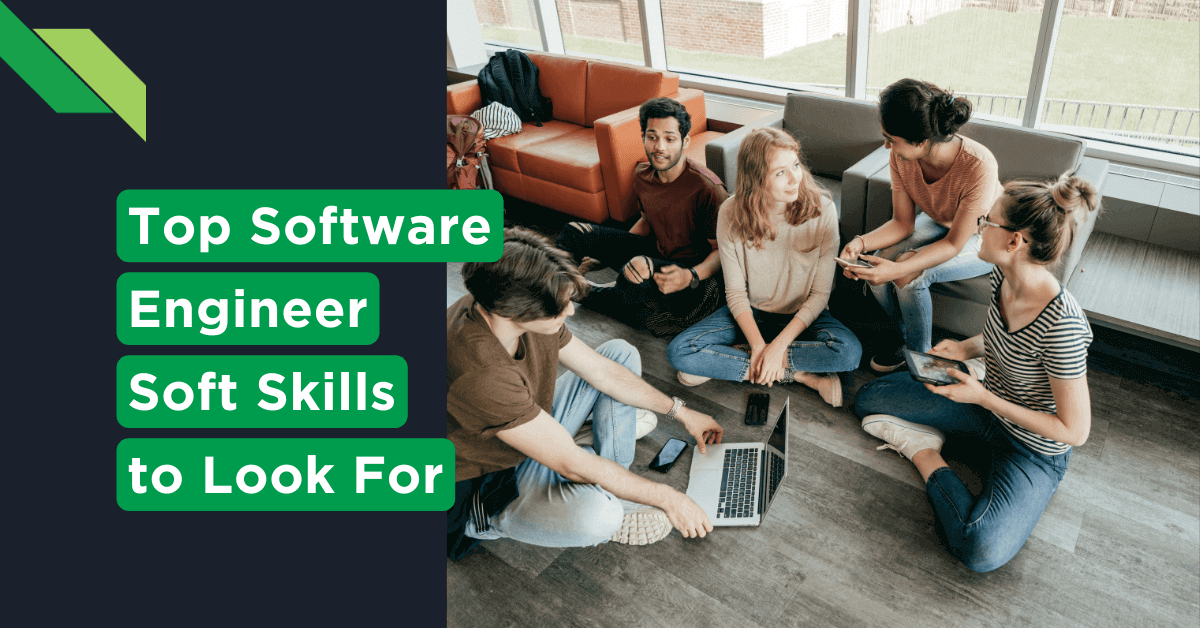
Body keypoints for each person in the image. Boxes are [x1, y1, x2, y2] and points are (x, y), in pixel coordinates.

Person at [854, 175, 1099, 572]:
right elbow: (1001, 333)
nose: (978, 227)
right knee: (869, 398)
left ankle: (925, 452)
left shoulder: (1063, 327)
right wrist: (966, 348)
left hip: (1032, 449)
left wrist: (983, 397)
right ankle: (947, 434)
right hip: (984, 407)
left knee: (978, 549)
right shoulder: (1003, 274)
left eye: (988, 221)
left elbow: (1075, 432)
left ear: (1014, 241)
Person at [447, 227, 724, 559]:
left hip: (521, 424)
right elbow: (571, 464)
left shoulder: (503, 300)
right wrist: (669, 497)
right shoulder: (481, 373)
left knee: (620, 354)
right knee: (600, 517)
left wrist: (681, 411)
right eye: (559, 309)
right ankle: (490, 520)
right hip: (488, 480)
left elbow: (602, 372)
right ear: (514, 312)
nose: (571, 313)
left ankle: (606, 473)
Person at [667, 127, 862, 407]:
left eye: (795, 165)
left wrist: (779, 345)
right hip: (751, 313)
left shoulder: (823, 210)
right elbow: (734, 293)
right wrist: (760, 347)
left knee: (848, 354)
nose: (795, 178)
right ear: (757, 179)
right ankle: (798, 375)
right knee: (680, 352)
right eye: (780, 172)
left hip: (803, 316)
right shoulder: (731, 213)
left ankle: (737, 360)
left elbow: (820, 296)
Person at [840, 78, 1004, 370]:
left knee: (907, 274)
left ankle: (922, 360)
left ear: (921, 141)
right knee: (877, 263)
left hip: (987, 235)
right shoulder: (900, 156)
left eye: (892, 138)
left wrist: (902, 268)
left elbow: (955, 242)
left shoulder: (978, 165)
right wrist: (860, 242)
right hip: (940, 221)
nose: (887, 144)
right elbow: (902, 224)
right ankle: (902, 341)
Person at [556, 97, 728, 337]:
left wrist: (691, 275)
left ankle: (585, 293)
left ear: (684, 141)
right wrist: (603, 258)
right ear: (643, 138)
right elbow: (647, 222)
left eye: (669, 139)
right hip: (656, 254)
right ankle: (555, 296)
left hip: (690, 276)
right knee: (574, 231)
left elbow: (722, 252)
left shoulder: (707, 188)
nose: (660, 147)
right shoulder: (642, 175)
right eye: (652, 136)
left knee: (636, 272)